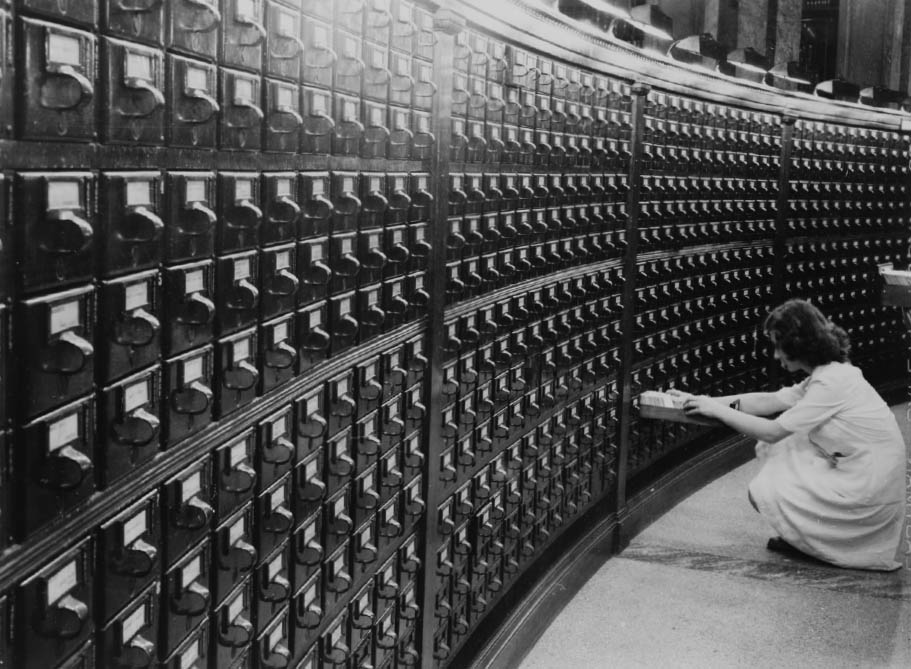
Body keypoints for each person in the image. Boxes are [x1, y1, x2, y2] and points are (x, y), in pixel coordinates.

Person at [669, 299, 907, 571]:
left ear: (797, 345)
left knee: (771, 473)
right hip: (864, 472)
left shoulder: (832, 382)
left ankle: (815, 542)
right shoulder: (829, 374)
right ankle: (808, 538)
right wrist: (703, 400)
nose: (775, 355)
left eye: (778, 345)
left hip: (870, 488)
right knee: (790, 444)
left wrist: (717, 411)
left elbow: (772, 432)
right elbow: (768, 401)